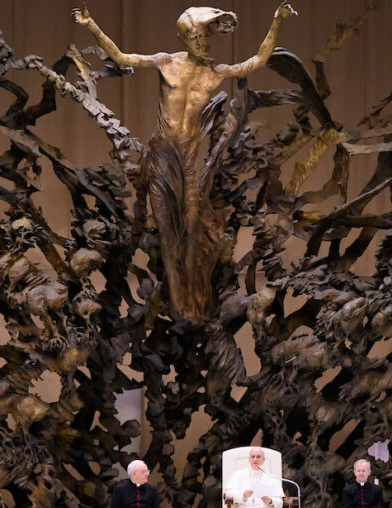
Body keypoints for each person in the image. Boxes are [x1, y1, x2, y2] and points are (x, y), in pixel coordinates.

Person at [73, 3, 297, 323]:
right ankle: (178, 304)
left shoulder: (214, 72)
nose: (202, 41)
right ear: (185, 38)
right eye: (196, 36)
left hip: (189, 160)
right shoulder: (166, 62)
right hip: (162, 157)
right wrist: (90, 24)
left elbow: (257, 61)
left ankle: (195, 302)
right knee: (166, 232)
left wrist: (276, 21)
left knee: (192, 225)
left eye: (204, 36)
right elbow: (122, 57)